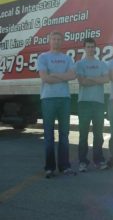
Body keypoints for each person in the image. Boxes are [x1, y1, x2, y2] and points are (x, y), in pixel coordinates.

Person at [37, 31, 76, 178]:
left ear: (62, 41)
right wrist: (63, 77)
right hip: (48, 99)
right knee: (48, 135)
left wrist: (55, 75)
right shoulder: (43, 57)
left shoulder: (67, 58)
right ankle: (49, 168)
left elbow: (72, 75)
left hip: (64, 99)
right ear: (50, 40)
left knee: (64, 134)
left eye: (59, 39)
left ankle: (64, 166)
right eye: (54, 39)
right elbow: (45, 78)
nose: (56, 41)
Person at [75, 38, 109, 172]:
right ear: (84, 48)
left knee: (98, 134)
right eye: (88, 47)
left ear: (95, 48)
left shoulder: (102, 64)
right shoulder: (80, 64)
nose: (90, 49)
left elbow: (106, 79)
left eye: (92, 47)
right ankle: (83, 162)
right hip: (84, 102)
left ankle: (98, 160)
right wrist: (98, 80)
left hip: (98, 103)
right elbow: (82, 82)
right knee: (83, 134)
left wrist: (91, 78)